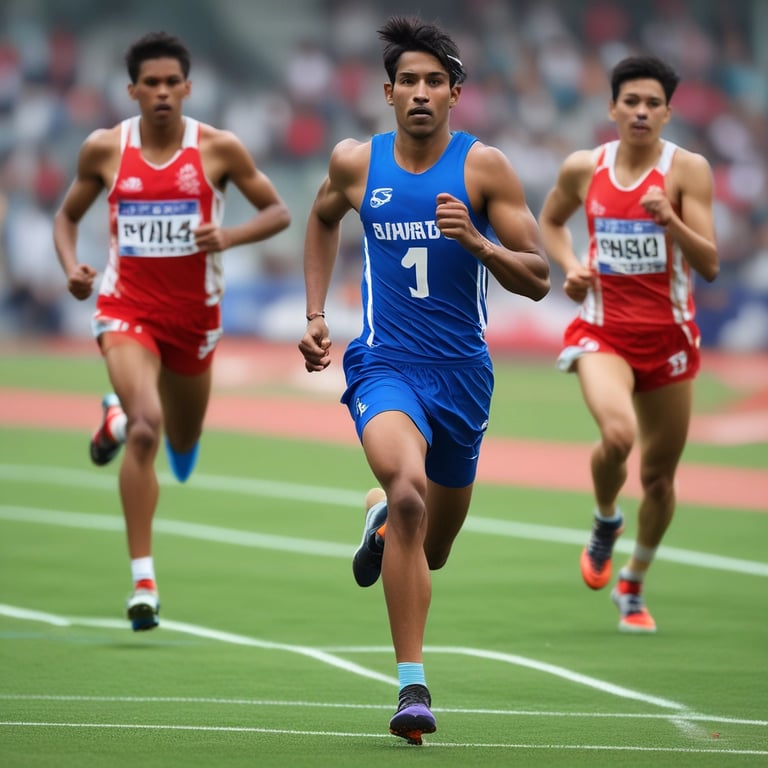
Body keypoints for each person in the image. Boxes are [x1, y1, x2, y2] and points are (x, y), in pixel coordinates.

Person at [298, 16, 549, 744]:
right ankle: (412, 688)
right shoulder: (355, 163)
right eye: (407, 80)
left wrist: (478, 241)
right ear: (386, 92)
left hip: (463, 375)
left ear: (455, 94)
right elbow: (319, 220)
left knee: (432, 545)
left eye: (433, 81)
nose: (419, 92)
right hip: (385, 363)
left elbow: (537, 278)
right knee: (409, 495)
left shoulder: (484, 170)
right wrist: (316, 314)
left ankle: (381, 521)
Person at [53, 32, 291, 631]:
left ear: (188, 87)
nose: (161, 93)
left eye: (171, 83)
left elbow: (279, 211)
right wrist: (72, 270)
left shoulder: (218, 150)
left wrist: (228, 236)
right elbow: (66, 217)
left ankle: (116, 409)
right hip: (126, 309)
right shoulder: (106, 150)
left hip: (194, 321)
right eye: (149, 84)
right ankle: (143, 581)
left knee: (182, 447)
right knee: (146, 430)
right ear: (132, 90)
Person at [538, 56, 719, 634]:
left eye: (653, 103)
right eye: (631, 101)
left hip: (668, 339)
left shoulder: (687, 172)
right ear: (612, 108)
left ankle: (633, 583)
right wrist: (570, 265)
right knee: (618, 435)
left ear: (668, 112)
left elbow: (710, 263)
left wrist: (672, 221)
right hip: (603, 330)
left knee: (661, 478)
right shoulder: (583, 168)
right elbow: (551, 222)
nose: (641, 112)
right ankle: (605, 519)